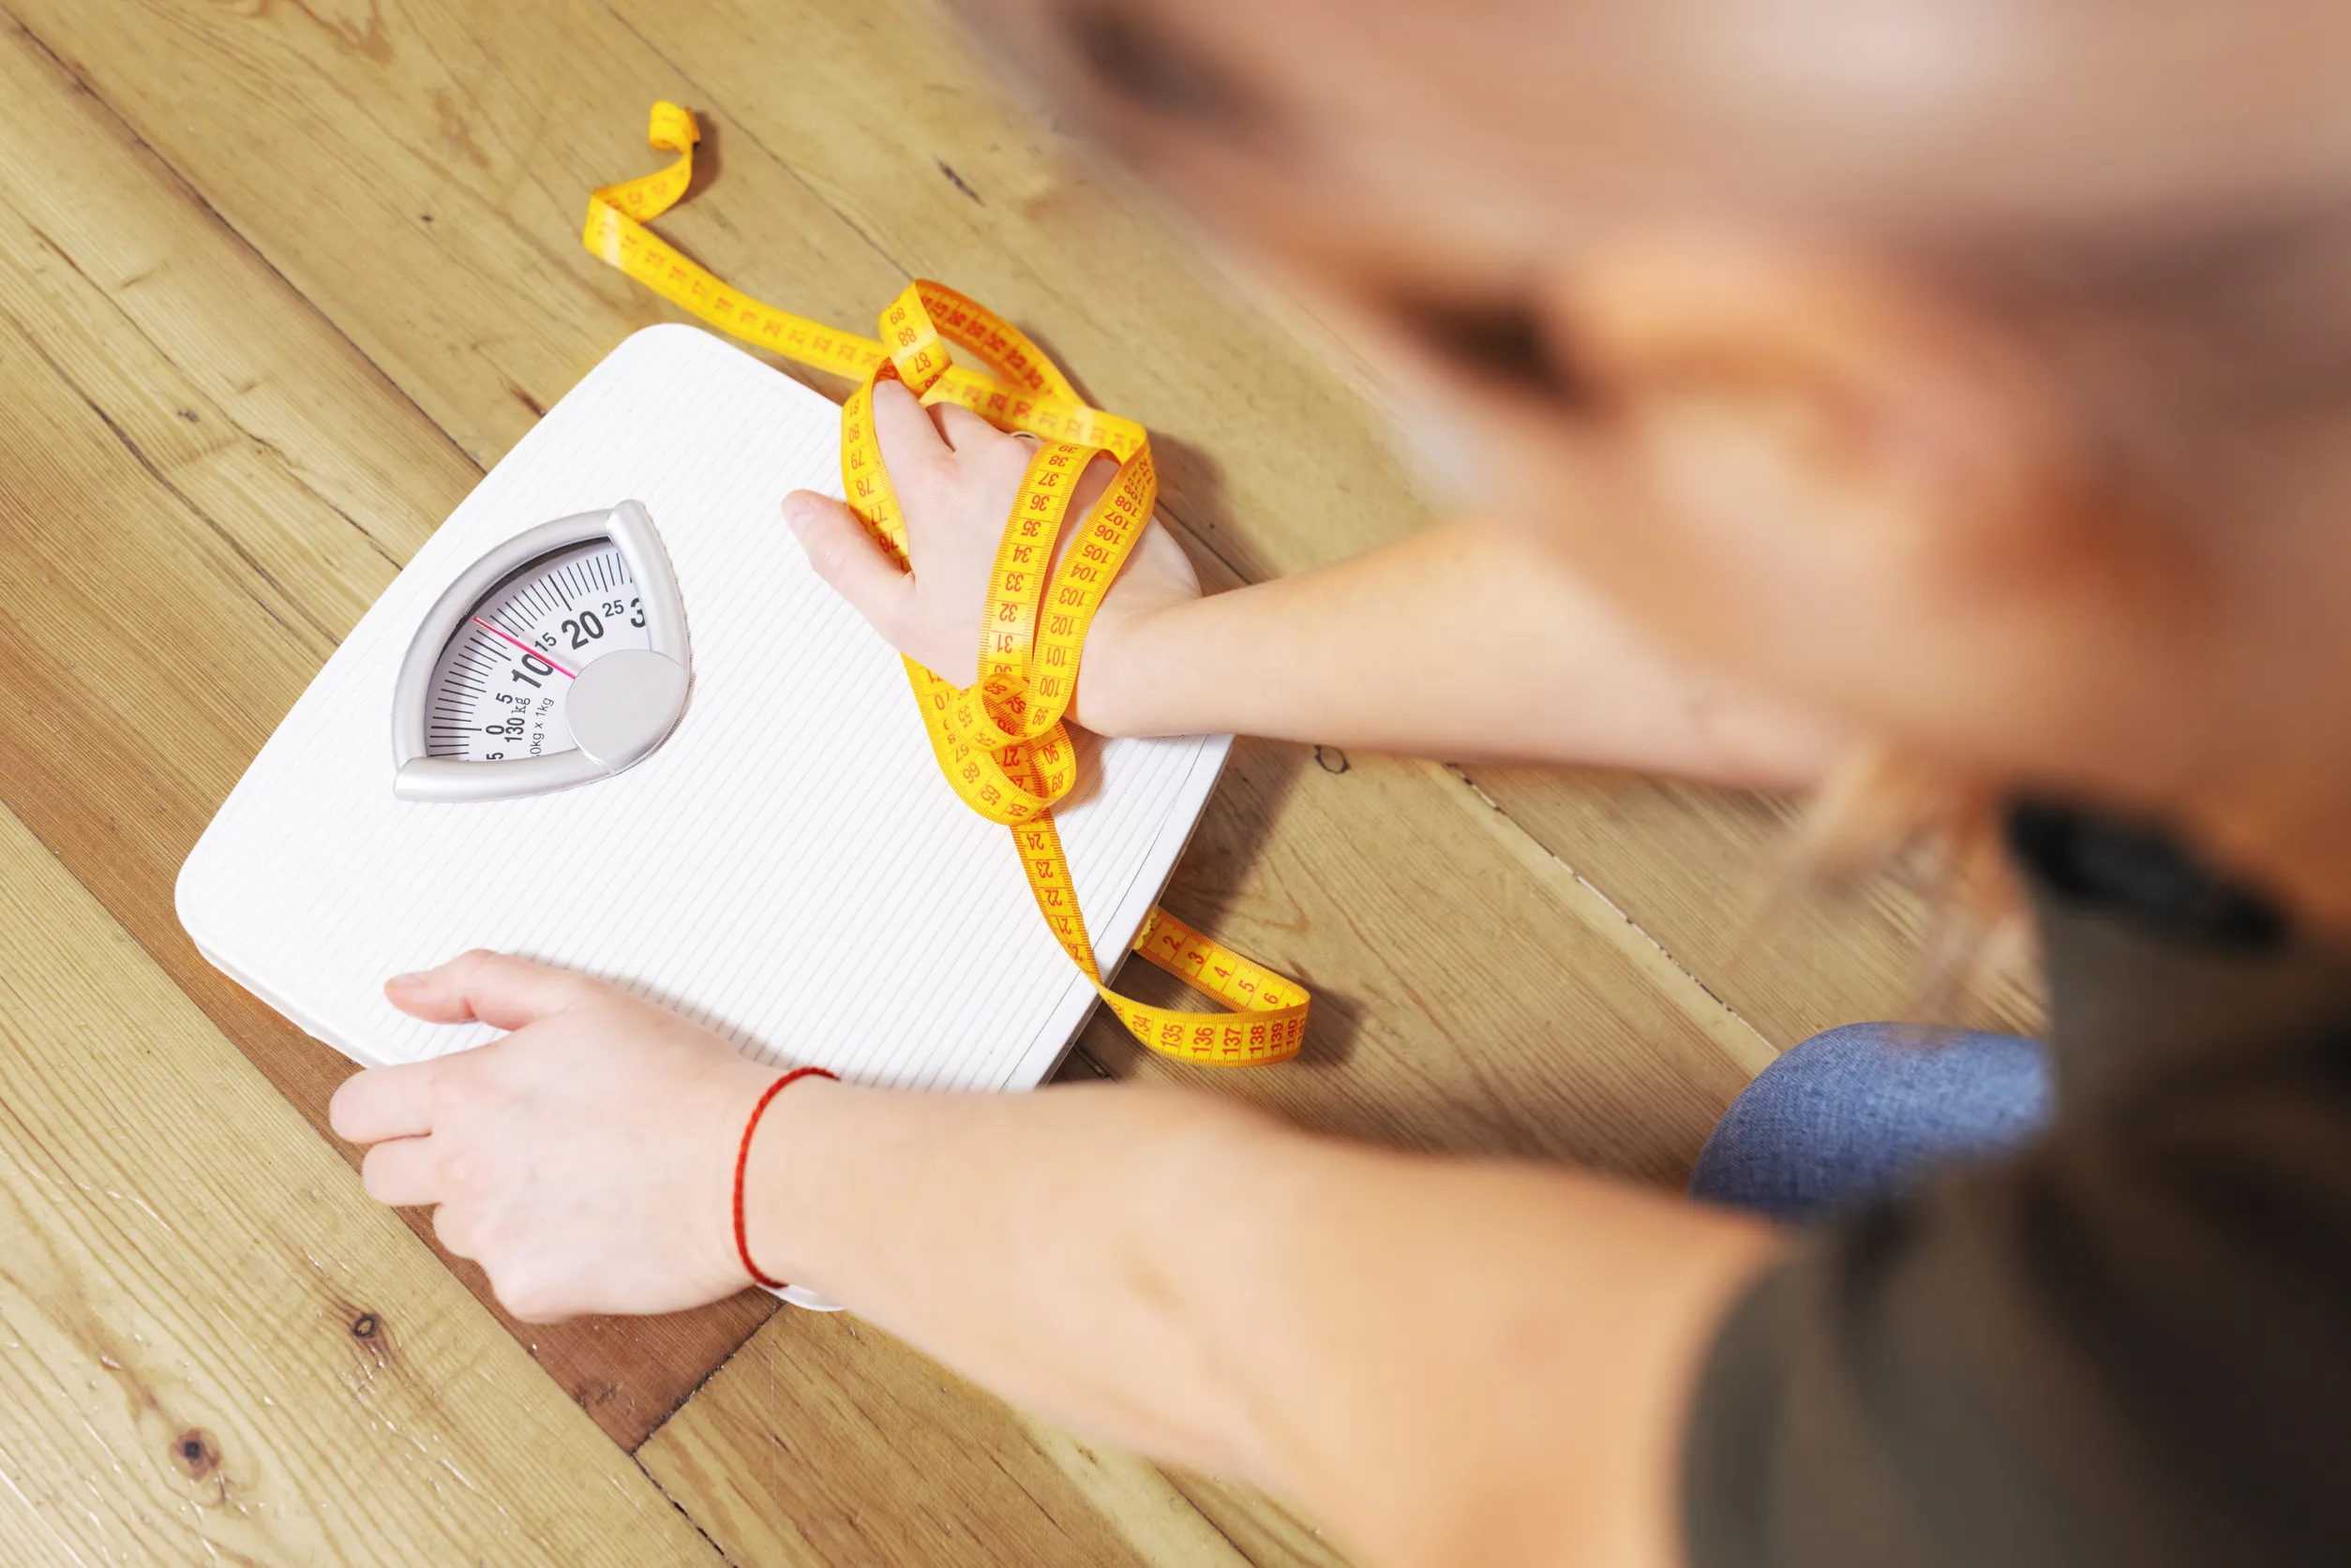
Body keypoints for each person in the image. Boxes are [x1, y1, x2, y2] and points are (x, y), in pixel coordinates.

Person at [329, 2, 2351, 1562]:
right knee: (1836, 1132)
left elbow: (1352, 1345)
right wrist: (1132, 659)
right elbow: (1790, 588)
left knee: (1820, 1201)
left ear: (1841, 413)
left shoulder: (2161, 1406)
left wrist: (737, 1167)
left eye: (1436, 380)